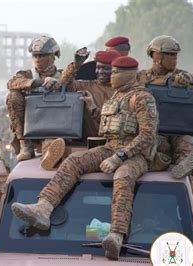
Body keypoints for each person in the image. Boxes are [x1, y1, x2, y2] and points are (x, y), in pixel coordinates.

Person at [11, 56, 158, 260]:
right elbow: (110, 129)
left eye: (115, 72)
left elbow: (147, 136)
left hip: (136, 155)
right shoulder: (117, 96)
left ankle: (116, 235)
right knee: (74, 161)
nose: (111, 75)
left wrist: (119, 157)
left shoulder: (142, 98)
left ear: (129, 74)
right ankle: (43, 208)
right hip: (110, 147)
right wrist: (94, 109)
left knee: (123, 176)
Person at [137, 35, 193, 189]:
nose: (174, 58)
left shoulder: (185, 76)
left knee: (189, 144)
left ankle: (188, 166)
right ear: (156, 55)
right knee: (160, 149)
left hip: (180, 128)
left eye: (175, 54)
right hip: (154, 129)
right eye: (170, 54)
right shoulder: (142, 77)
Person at [40, 49, 122, 170]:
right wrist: (76, 64)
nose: (100, 72)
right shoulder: (87, 85)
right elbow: (65, 84)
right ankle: (51, 157)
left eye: (106, 68)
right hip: (87, 140)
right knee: (52, 139)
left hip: (114, 143)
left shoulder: (123, 91)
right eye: (98, 68)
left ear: (115, 70)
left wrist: (93, 107)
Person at [7, 36, 61, 161]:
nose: (37, 59)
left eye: (41, 55)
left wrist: (58, 84)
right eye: (35, 56)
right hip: (31, 127)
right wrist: (40, 82)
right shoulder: (27, 74)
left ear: (53, 56)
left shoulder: (62, 75)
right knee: (13, 96)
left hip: (55, 127)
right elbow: (11, 83)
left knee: (51, 153)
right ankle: (25, 145)